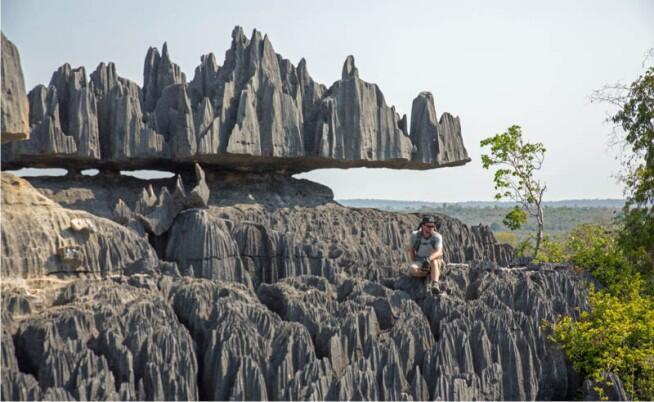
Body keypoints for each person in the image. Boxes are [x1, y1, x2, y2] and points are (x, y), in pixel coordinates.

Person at [407, 215, 446, 293]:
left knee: (433, 261)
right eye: (428, 226)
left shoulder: (437, 237)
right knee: (412, 269)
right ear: (422, 226)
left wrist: (428, 259)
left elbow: (439, 252)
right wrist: (414, 262)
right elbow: (411, 250)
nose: (431, 228)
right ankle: (429, 273)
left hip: (434, 261)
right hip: (420, 260)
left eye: (432, 226)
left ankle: (435, 284)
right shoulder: (415, 235)